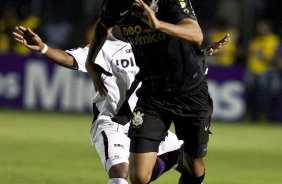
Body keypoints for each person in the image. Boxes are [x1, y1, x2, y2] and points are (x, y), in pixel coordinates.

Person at [12, 25, 184, 184]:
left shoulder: (149, 46)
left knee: (192, 163)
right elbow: (69, 59)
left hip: (146, 124)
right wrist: (43, 48)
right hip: (114, 124)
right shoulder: (103, 47)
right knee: (120, 171)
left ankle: (158, 167)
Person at [85, 0, 229, 183]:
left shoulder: (170, 2)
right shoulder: (115, 3)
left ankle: (177, 157)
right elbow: (102, 24)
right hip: (153, 95)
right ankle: (176, 157)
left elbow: (196, 33)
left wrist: (158, 25)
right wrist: (91, 60)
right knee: (138, 177)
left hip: (190, 93)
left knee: (194, 169)